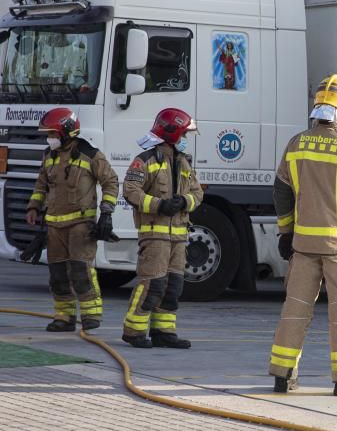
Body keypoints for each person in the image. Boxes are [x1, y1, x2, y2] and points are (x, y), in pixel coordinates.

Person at [269, 74, 337, 397]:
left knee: (295, 308)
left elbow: (281, 190)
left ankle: (282, 375)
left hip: (304, 246)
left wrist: (286, 231)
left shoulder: (296, 143)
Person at [23, 107, 119, 332]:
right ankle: (64, 317)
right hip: (54, 225)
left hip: (80, 225)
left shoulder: (90, 154)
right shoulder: (49, 155)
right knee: (57, 274)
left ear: (66, 132)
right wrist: (34, 207)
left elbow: (111, 182)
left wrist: (106, 212)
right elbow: (41, 184)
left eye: (54, 134)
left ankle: (91, 315)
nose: (50, 138)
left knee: (80, 270)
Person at [121, 108, 203, 349]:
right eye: (186, 133)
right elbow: (131, 191)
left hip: (178, 236)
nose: (188, 138)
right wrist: (160, 205)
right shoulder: (145, 160)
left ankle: (163, 332)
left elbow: (197, 193)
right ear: (173, 132)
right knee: (152, 283)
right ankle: (134, 331)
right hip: (154, 233)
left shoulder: (184, 161)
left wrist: (184, 201)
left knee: (173, 286)